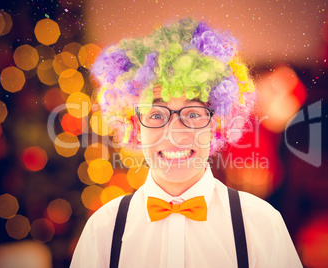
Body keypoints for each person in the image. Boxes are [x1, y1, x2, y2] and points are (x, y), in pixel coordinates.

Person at [70, 18, 303, 268]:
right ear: (135, 126)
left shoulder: (261, 225)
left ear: (217, 125)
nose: (175, 134)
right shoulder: (103, 229)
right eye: (157, 115)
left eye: (193, 114)